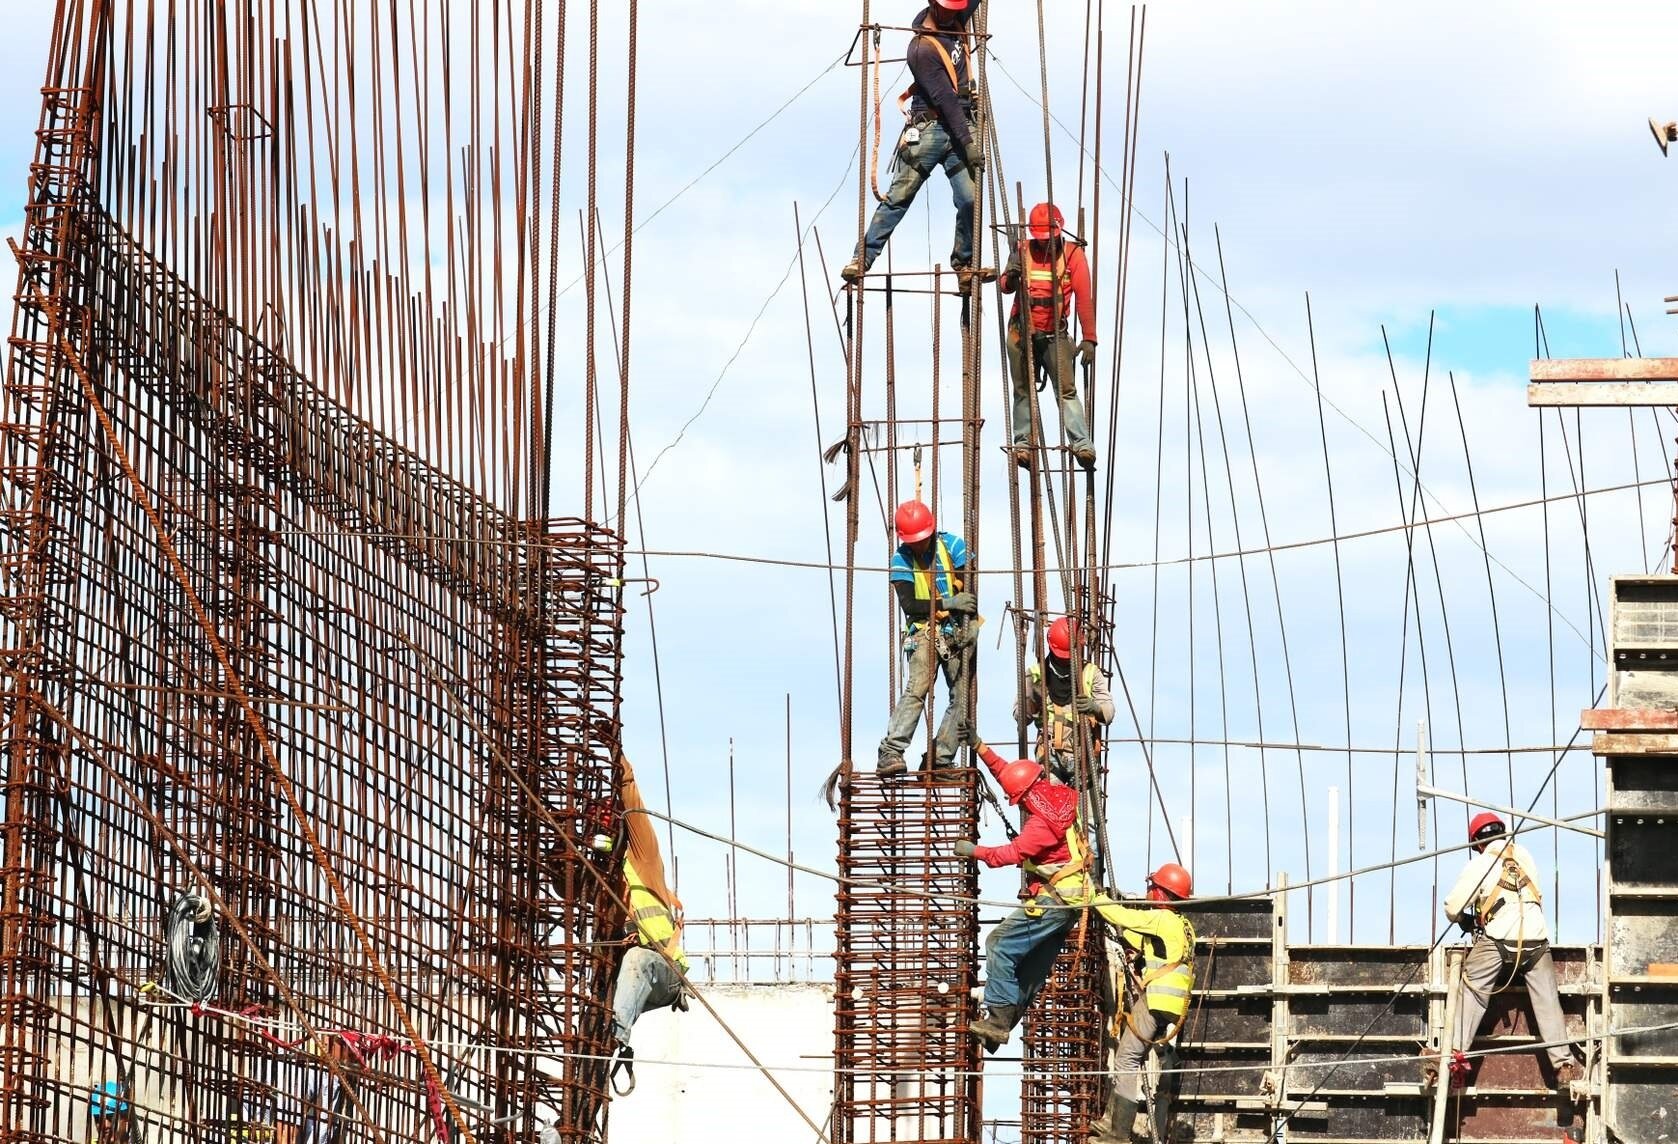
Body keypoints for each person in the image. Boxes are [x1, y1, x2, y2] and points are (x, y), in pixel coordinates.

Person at [1432, 812, 1581, 1089]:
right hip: (1536, 941)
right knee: (1548, 1002)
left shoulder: (1481, 863)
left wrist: (1467, 920)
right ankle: (1563, 1065)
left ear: (1477, 843)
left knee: (1473, 989)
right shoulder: (1525, 856)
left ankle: (1453, 1056)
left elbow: (1452, 907)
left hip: (1499, 941)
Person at [841, 0, 986, 286]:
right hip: (932, 128)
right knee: (899, 197)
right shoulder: (921, 49)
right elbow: (945, 100)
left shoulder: (957, 17)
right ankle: (862, 258)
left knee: (970, 199)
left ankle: (964, 262)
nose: (951, 13)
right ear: (933, 4)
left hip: (961, 124)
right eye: (945, 8)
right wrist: (968, 144)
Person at [957, 737, 1089, 1050]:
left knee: (999, 944)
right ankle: (999, 1027)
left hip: (1054, 900)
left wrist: (974, 850)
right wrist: (980, 748)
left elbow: (1012, 854)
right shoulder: (1055, 797)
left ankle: (999, 1021)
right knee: (1030, 970)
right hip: (1069, 903)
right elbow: (1010, 773)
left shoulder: (1040, 824)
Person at [1087, 864, 1197, 1144]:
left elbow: (1121, 915)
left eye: (1153, 887)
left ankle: (1118, 1133)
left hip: (1157, 998)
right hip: (1171, 1004)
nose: (1149, 891)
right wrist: (1123, 935)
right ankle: (1110, 1122)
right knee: (1131, 1055)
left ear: (1162, 894)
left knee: (1127, 1059)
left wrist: (1095, 896)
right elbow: (1142, 938)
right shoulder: (1183, 926)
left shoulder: (1161, 918)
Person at [608, 756, 690, 1094]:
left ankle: (615, 1034)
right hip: (632, 984)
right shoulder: (602, 882)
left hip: (665, 972)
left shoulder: (641, 860)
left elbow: (634, 808)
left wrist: (619, 763)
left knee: (637, 960)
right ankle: (608, 1033)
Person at [878, 499, 976, 777]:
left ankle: (940, 758)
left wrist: (963, 608)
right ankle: (890, 751)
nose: (919, 545)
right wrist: (948, 603)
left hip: (954, 633)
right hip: (923, 632)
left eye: (922, 539)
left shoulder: (953, 546)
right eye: (914, 541)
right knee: (917, 689)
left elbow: (968, 584)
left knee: (963, 697)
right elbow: (909, 605)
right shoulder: (901, 559)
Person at [999, 202, 1097, 469]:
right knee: (1022, 390)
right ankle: (1023, 445)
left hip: (1055, 335)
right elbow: (1005, 287)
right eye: (1041, 240)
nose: (1045, 244)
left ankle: (1082, 444)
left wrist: (1089, 338)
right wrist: (1011, 275)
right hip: (1022, 332)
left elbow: (1084, 298)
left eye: (1049, 239)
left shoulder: (1073, 254)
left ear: (1059, 232)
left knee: (1066, 391)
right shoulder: (1022, 251)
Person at [1015, 616, 1114, 785]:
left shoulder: (1090, 672)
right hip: (1050, 758)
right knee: (1054, 808)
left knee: (1087, 812)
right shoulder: (1036, 674)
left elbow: (1109, 712)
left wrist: (1094, 708)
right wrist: (1032, 702)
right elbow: (1021, 718)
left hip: (1084, 757)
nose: (1065, 660)